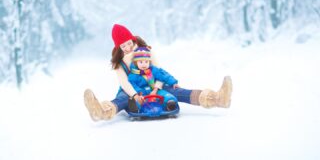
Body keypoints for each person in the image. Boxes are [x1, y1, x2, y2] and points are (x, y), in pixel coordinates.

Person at [84, 24, 232, 121]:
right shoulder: (119, 63)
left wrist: (157, 88)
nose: (128, 47)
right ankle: (101, 111)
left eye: (129, 43)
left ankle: (217, 99)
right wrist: (135, 94)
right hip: (132, 90)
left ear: (133, 39)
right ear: (118, 47)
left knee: (179, 92)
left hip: (154, 84)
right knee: (123, 100)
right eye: (124, 46)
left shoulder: (147, 51)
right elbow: (124, 83)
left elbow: (158, 71)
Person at [127, 47, 179, 112]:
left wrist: (173, 82)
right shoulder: (133, 74)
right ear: (136, 63)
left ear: (149, 62)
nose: (144, 64)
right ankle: (135, 107)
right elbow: (132, 84)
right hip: (142, 92)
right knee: (140, 100)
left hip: (154, 89)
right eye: (141, 62)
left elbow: (163, 75)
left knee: (164, 94)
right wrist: (139, 92)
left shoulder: (153, 70)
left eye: (146, 62)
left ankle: (170, 103)